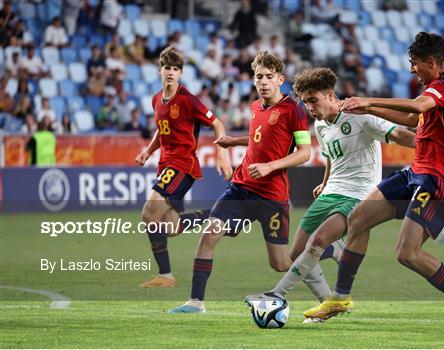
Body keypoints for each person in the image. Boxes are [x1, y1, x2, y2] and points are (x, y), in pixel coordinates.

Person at [304, 32, 444, 331]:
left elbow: (417, 108)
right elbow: (414, 120)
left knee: (406, 254)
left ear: (431, 61)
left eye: (415, 64)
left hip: (438, 178)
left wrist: (369, 99)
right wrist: (367, 109)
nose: (412, 70)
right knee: (357, 218)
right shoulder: (434, 90)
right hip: (416, 170)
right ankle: (340, 297)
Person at [246, 67, 416, 308]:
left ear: (330, 94)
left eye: (313, 101)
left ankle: (278, 293)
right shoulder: (321, 125)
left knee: (317, 240)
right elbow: (329, 155)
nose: (310, 108)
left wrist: (430, 148)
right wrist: (325, 182)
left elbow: (399, 135)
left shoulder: (359, 114)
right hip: (331, 191)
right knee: (295, 254)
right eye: (305, 103)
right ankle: (330, 295)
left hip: (359, 194)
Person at [169, 52, 312, 313]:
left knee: (280, 263)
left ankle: (324, 250)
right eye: (259, 77)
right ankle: (195, 302)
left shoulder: (294, 109)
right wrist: (234, 141)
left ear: (280, 79)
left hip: (272, 196)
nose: (264, 82)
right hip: (241, 188)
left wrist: (270, 166)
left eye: (269, 77)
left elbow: (305, 153)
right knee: (209, 235)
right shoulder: (256, 107)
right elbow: (258, 139)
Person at [135, 46, 232, 288]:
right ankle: (220, 215)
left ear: (180, 73)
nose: (171, 72)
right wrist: (148, 150)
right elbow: (162, 129)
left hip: (182, 164)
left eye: (176, 69)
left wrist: (221, 152)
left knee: (149, 212)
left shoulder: (188, 100)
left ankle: (165, 276)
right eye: (167, 67)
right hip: (165, 164)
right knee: (170, 227)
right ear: (160, 71)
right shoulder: (156, 99)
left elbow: (217, 124)